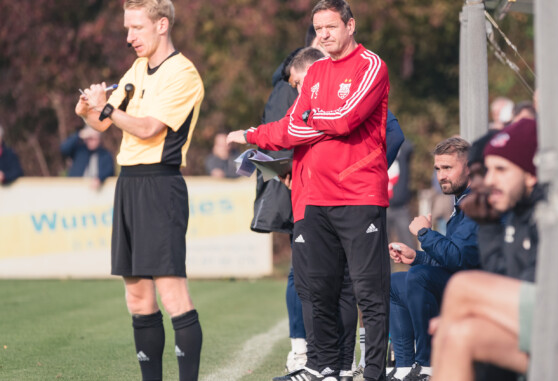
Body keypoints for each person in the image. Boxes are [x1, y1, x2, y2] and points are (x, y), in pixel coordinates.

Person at [228, 1, 391, 379]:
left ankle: (374, 373)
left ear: (350, 25)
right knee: (317, 290)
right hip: (315, 199)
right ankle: (323, 368)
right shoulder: (315, 72)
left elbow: (346, 118)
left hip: (357, 195)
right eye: (318, 28)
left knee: (368, 292)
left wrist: (308, 121)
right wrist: (253, 135)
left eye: (331, 26)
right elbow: (289, 126)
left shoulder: (371, 66)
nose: (324, 34)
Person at [74, 1, 204, 380]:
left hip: (160, 184)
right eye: (127, 28)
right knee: (137, 297)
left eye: (137, 28)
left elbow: (148, 128)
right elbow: (100, 123)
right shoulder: (135, 70)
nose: (129, 37)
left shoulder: (182, 73)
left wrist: (108, 111)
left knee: (171, 291)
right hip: (128, 183)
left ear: (162, 25)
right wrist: (87, 108)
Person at [430, 119, 540, 381]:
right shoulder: (514, 210)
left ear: (531, 173)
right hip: (533, 323)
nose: (489, 181)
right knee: (459, 334)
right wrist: (488, 226)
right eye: (486, 171)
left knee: (461, 286)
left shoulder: (550, 211)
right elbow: (504, 274)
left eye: (500, 169)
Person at [387, 137, 479, 381]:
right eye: (438, 169)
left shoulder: (476, 202)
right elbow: (450, 259)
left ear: (469, 167)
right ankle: (405, 367)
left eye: (448, 168)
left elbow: (459, 259)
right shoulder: (461, 201)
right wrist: (415, 256)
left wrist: (425, 234)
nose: (440, 176)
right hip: (457, 284)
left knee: (419, 278)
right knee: (393, 284)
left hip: (475, 293)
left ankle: (428, 366)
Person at [387, 139, 416, 251]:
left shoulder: (402, 150)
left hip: (400, 207)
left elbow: (408, 146)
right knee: (384, 246)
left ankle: (415, 268)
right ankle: (387, 269)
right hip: (382, 206)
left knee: (408, 243)